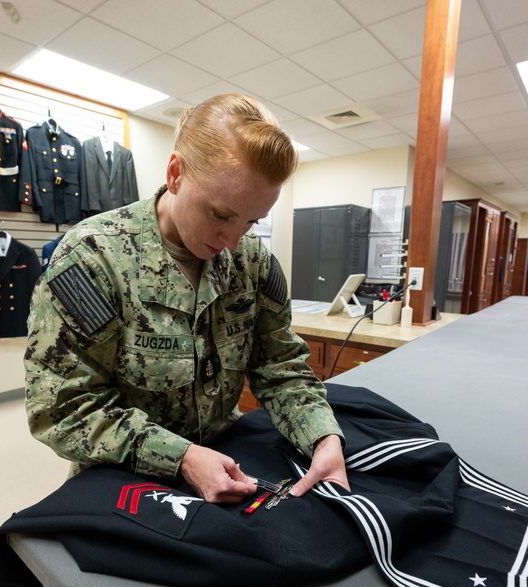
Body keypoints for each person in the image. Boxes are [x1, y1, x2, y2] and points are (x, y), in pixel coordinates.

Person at [24, 93, 349, 503]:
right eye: (221, 214)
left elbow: (280, 366)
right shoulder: (92, 260)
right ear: (176, 174)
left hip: (228, 465)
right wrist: (181, 458)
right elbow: (64, 408)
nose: (233, 241)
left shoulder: (254, 262)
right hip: (120, 481)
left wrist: (321, 436)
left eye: (252, 221)